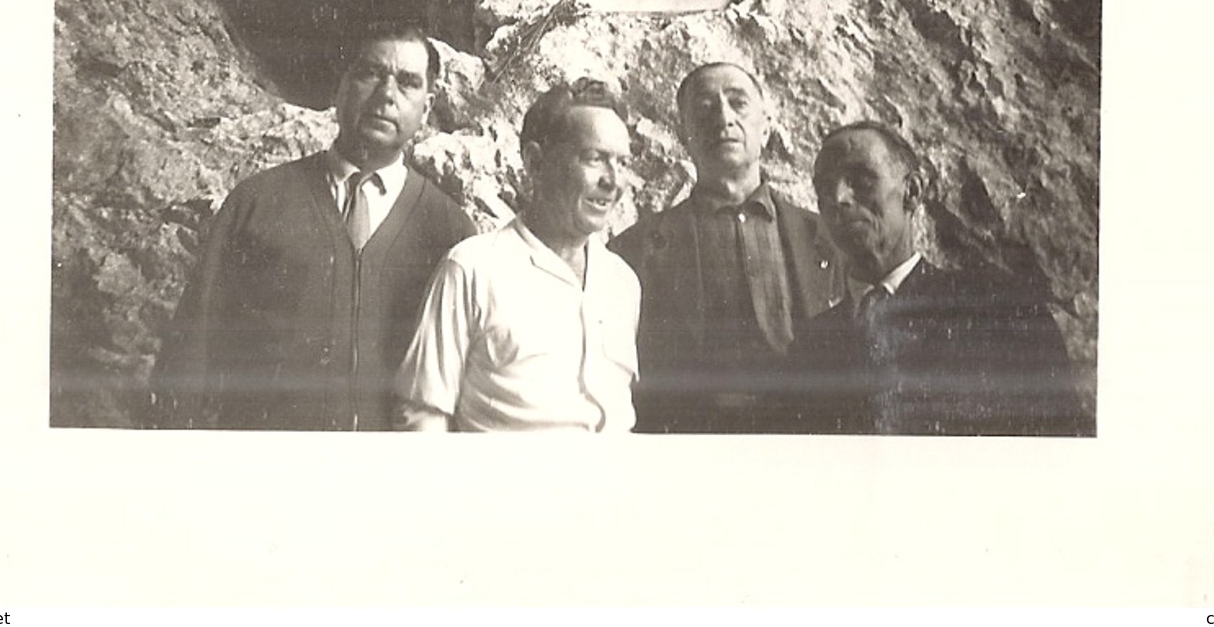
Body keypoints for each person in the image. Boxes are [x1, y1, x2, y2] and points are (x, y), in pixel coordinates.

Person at [150, 23, 476, 431]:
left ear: (426, 109)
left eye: (407, 82)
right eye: (370, 73)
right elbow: (190, 356)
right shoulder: (257, 203)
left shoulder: (451, 232)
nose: (386, 94)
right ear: (340, 88)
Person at [610, 62, 849, 433]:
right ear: (683, 133)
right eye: (705, 108)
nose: (724, 117)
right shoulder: (635, 250)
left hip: (806, 441)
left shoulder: (830, 239)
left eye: (738, 103)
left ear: (766, 126)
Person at [810, 121, 1088, 436]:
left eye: (861, 180)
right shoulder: (811, 346)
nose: (838, 198)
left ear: (912, 192)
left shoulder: (1001, 314)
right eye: (824, 188)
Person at [395, 78, 640, 432]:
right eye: (595, 159)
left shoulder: (623, 283)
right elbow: (422, 418)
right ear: (536, 162)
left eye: (621, 162)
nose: (613, 181)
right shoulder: (471, 269)